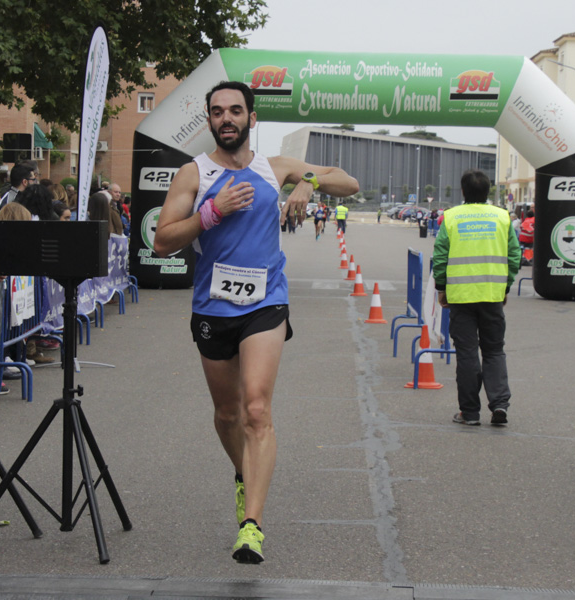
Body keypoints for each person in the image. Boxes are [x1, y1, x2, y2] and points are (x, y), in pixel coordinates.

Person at [152, 80, 358, 564]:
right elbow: (162, 242)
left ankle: (252, 525)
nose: (227, 118)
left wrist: (307, 179)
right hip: (212, 308)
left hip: (266, 302)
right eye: (218, 111)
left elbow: (346, 182)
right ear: (209, 121)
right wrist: (211, 213)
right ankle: (246, 476)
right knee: (228, 415)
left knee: (257, 410)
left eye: (236, 110)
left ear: (251, 118)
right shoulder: (193, 174)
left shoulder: (274, 168)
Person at [433, 169, 520, 428]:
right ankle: (500, 405)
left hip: (460, 297)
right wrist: (505, 287)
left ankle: (470, 413)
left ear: (463, 191)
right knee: (494, 350)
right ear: (488, 191)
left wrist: (441, 288)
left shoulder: (450, 218)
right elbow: (514, 256)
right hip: (492, 295)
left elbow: (440, 257)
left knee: (467, 354)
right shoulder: (502, 217)